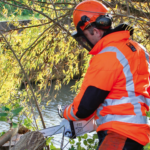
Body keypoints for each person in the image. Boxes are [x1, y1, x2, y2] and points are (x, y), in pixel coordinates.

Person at [61, 0, 150, 149]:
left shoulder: (108, 55)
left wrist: (65, 112)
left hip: (119, 133)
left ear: (94, 31)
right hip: (135, 133)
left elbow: (83, 107)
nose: (85, 42)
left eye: (84, 37)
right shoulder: (138, 49)